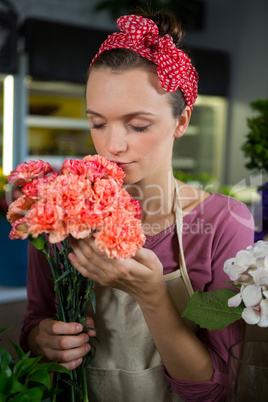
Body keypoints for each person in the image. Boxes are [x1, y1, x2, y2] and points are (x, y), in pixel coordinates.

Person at [20, 9, 254, 402]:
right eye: (98, 123)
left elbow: (214, 388)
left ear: (181, 122)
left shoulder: (223, 223)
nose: (113, 146)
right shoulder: (59, 213)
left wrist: (152, 296)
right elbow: (34, 321)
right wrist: (41, 340)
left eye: (138, 125)